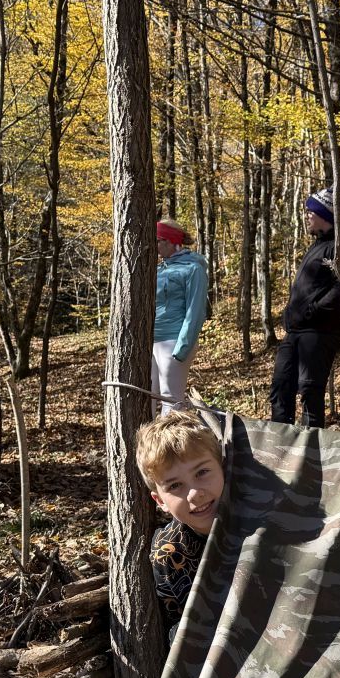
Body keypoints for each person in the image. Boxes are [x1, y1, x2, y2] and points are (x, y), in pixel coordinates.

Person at [270, 187, 340, 428]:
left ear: (325, 215)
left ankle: (311, 447)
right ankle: (278, 442)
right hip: (295, 331)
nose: (307, 216)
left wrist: (312, 311)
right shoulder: (318, 245)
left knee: (310, 391)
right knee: (280, 387)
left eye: (311, 212)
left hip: (320, 331)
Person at [135, 409, 225, 644]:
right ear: (160, 501)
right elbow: (180, 630)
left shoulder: (259, 516)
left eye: (202, 472)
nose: (194, 494)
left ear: (224, 468)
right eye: (175, 486)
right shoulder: (170, 554)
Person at [152, 219, 209, 416]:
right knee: (145, 397)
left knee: (170, 399)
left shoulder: (193, 269)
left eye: (157, 240)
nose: (155, 246)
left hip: (173, 340)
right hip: (151, 343)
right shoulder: (159, 269)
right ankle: (146, 437)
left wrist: (183, 346)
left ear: (170, 241)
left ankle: (171, 437)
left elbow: (196, 311)